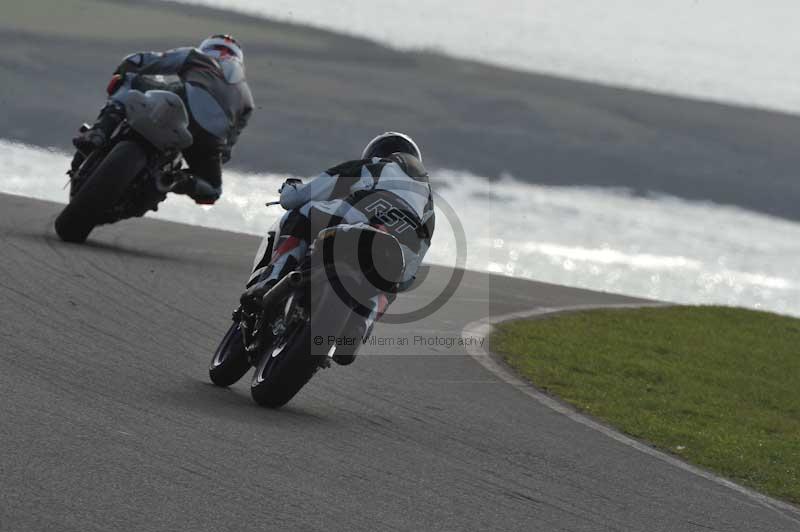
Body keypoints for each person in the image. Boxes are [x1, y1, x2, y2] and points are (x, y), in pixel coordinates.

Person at [242, 132, 435, 364]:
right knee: (388, 287)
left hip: (357, 219)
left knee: (302, 213)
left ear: (379, 154)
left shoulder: (371, 166)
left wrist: (290, 188)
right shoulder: (429, 203)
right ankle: (359, 328)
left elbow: (296, 199)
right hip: (398, 249)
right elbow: (412, 268)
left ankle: (271, 281)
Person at [72, 34, 254, 204]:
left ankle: (98, 133)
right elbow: (228, 147)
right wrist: (211, 158)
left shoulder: (197, 56)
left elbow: (141, 61)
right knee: (213, 190)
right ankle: (176, 180)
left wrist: (122, 71)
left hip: (183, 102)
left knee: (130, 80)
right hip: (210, 137)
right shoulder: (247, 97)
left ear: (207, 48)